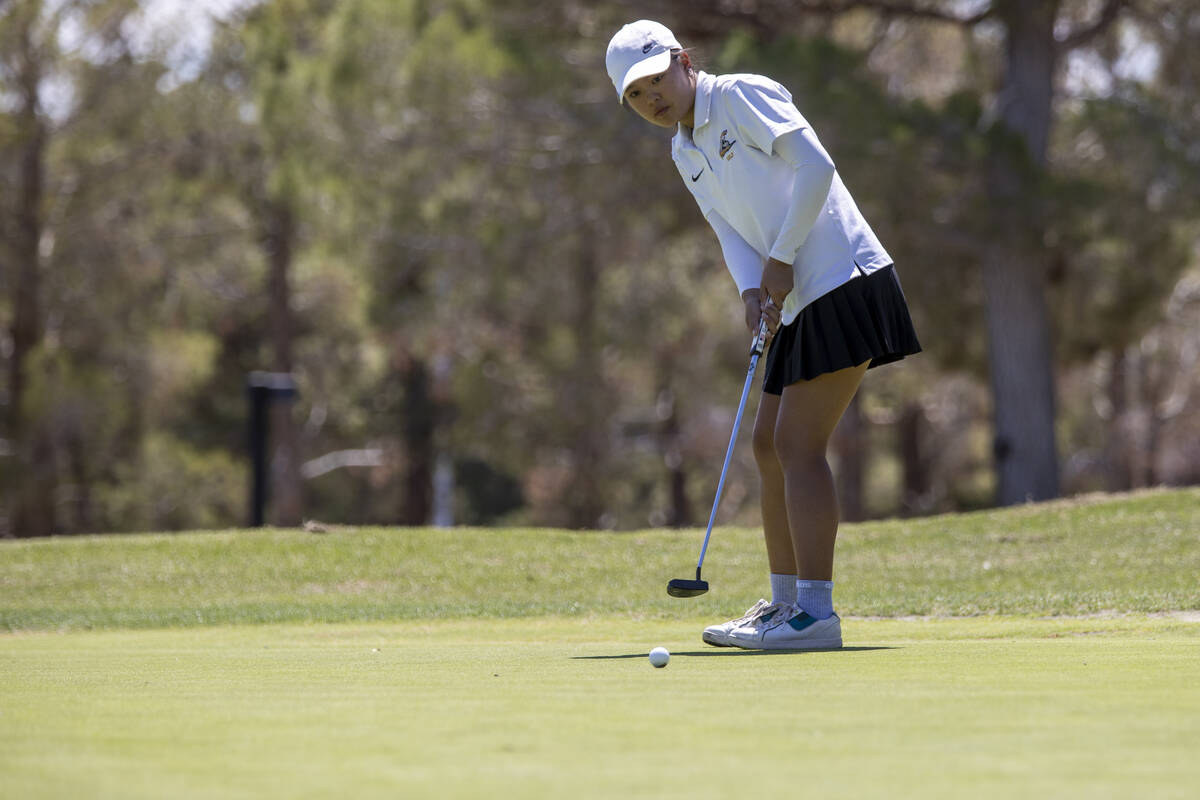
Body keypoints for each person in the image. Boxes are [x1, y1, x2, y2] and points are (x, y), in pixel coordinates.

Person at [605, 20, 921, 649]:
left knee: (798, 444)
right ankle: (783, 606)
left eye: (656, 80)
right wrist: (752, 289)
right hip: (796, 299)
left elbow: (816, 167)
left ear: (684, 61)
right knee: (768, 446)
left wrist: (780, 257)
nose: (652, 99)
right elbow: (728, 229)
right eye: (636, 95)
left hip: (843, 277)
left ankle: (816, 615)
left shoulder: (739, 95)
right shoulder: (683, 149)